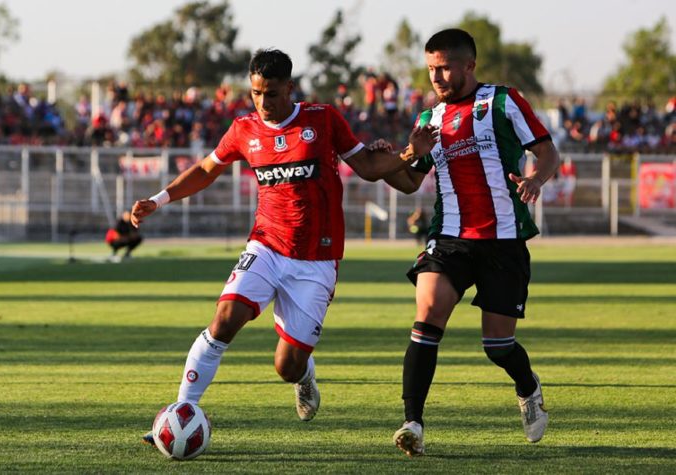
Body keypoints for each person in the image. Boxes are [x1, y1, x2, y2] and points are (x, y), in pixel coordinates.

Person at [131, 49, 435, 444]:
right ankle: (178, 413)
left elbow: (369, 168)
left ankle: (304, 375)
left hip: (316, 260)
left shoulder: (322, 120)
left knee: (287, 365)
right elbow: (207, 170)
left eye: (271, 94)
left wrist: (410, 154)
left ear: (290, 88)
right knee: (223, 320)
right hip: (266, 245)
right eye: (256, 93)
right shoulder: (244, 129)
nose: (263, 103)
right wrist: (158, 199)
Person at [380, 29, 560, 456]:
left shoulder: (504, 101)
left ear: (468, 65)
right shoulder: (428, 119)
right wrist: (397, 158)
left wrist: (536, 178)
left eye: (443, 67)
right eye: (430, 69)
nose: (436, 77)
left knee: (497, 346)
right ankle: (413, 423)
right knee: (427, 316)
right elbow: (408, 182)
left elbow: (548, 151)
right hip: (449, 239)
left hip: (503, 240)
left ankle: (528, 386)